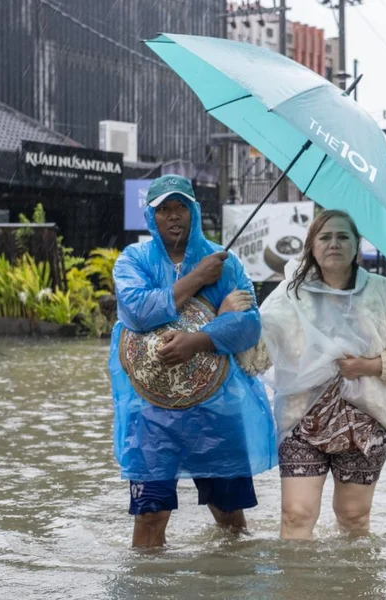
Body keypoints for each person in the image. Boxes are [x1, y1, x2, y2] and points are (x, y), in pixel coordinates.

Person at [109, 175, 276, 548]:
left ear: (194, 211)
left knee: (230, 515)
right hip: (150, 411)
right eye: (164, 208)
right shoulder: (133, 260)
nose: (173, 216)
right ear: (151, 216)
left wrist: (197, 340)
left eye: (180, 207)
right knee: (150, 515)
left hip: (217, 408)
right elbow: (136, 312)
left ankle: (230, 582)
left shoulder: (226, 263)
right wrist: (199, 281)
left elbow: (248, 326)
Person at [237, 210, 386, 540]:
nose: (333, 244)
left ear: (357, 246)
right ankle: (298, 588)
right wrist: (238, 319)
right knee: (295, 516)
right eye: (325, 237)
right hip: (301, 421)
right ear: (311, 247)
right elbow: (254, 359)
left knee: (353, 519)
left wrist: (368, 366)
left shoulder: (383, 293)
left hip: (365, 423)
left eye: (342, 237)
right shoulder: (289, 294)